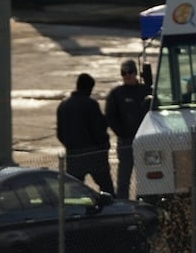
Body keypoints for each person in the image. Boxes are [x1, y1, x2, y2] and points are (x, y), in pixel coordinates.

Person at [55, 73, 114, 195]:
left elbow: (60, 133)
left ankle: (74, 212)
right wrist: (104, 144)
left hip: (73, 154)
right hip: (94, 153)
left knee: (74, 189)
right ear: (89, 88)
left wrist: (69, 145)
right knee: (106, 188)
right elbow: (99, 129)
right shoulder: (90, 104)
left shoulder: (64, 105)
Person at [103, 59, 152, 197]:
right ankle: (122, 205)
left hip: (146, 140)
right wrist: (122, 133)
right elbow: (110, 116)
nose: (127, 75)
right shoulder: (116, 94)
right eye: (124, 73)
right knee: (124, 178)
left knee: (147, 176)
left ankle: (146, 201)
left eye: (130, 72)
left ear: (136, 73)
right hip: (126, 142)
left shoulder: (146, 91)